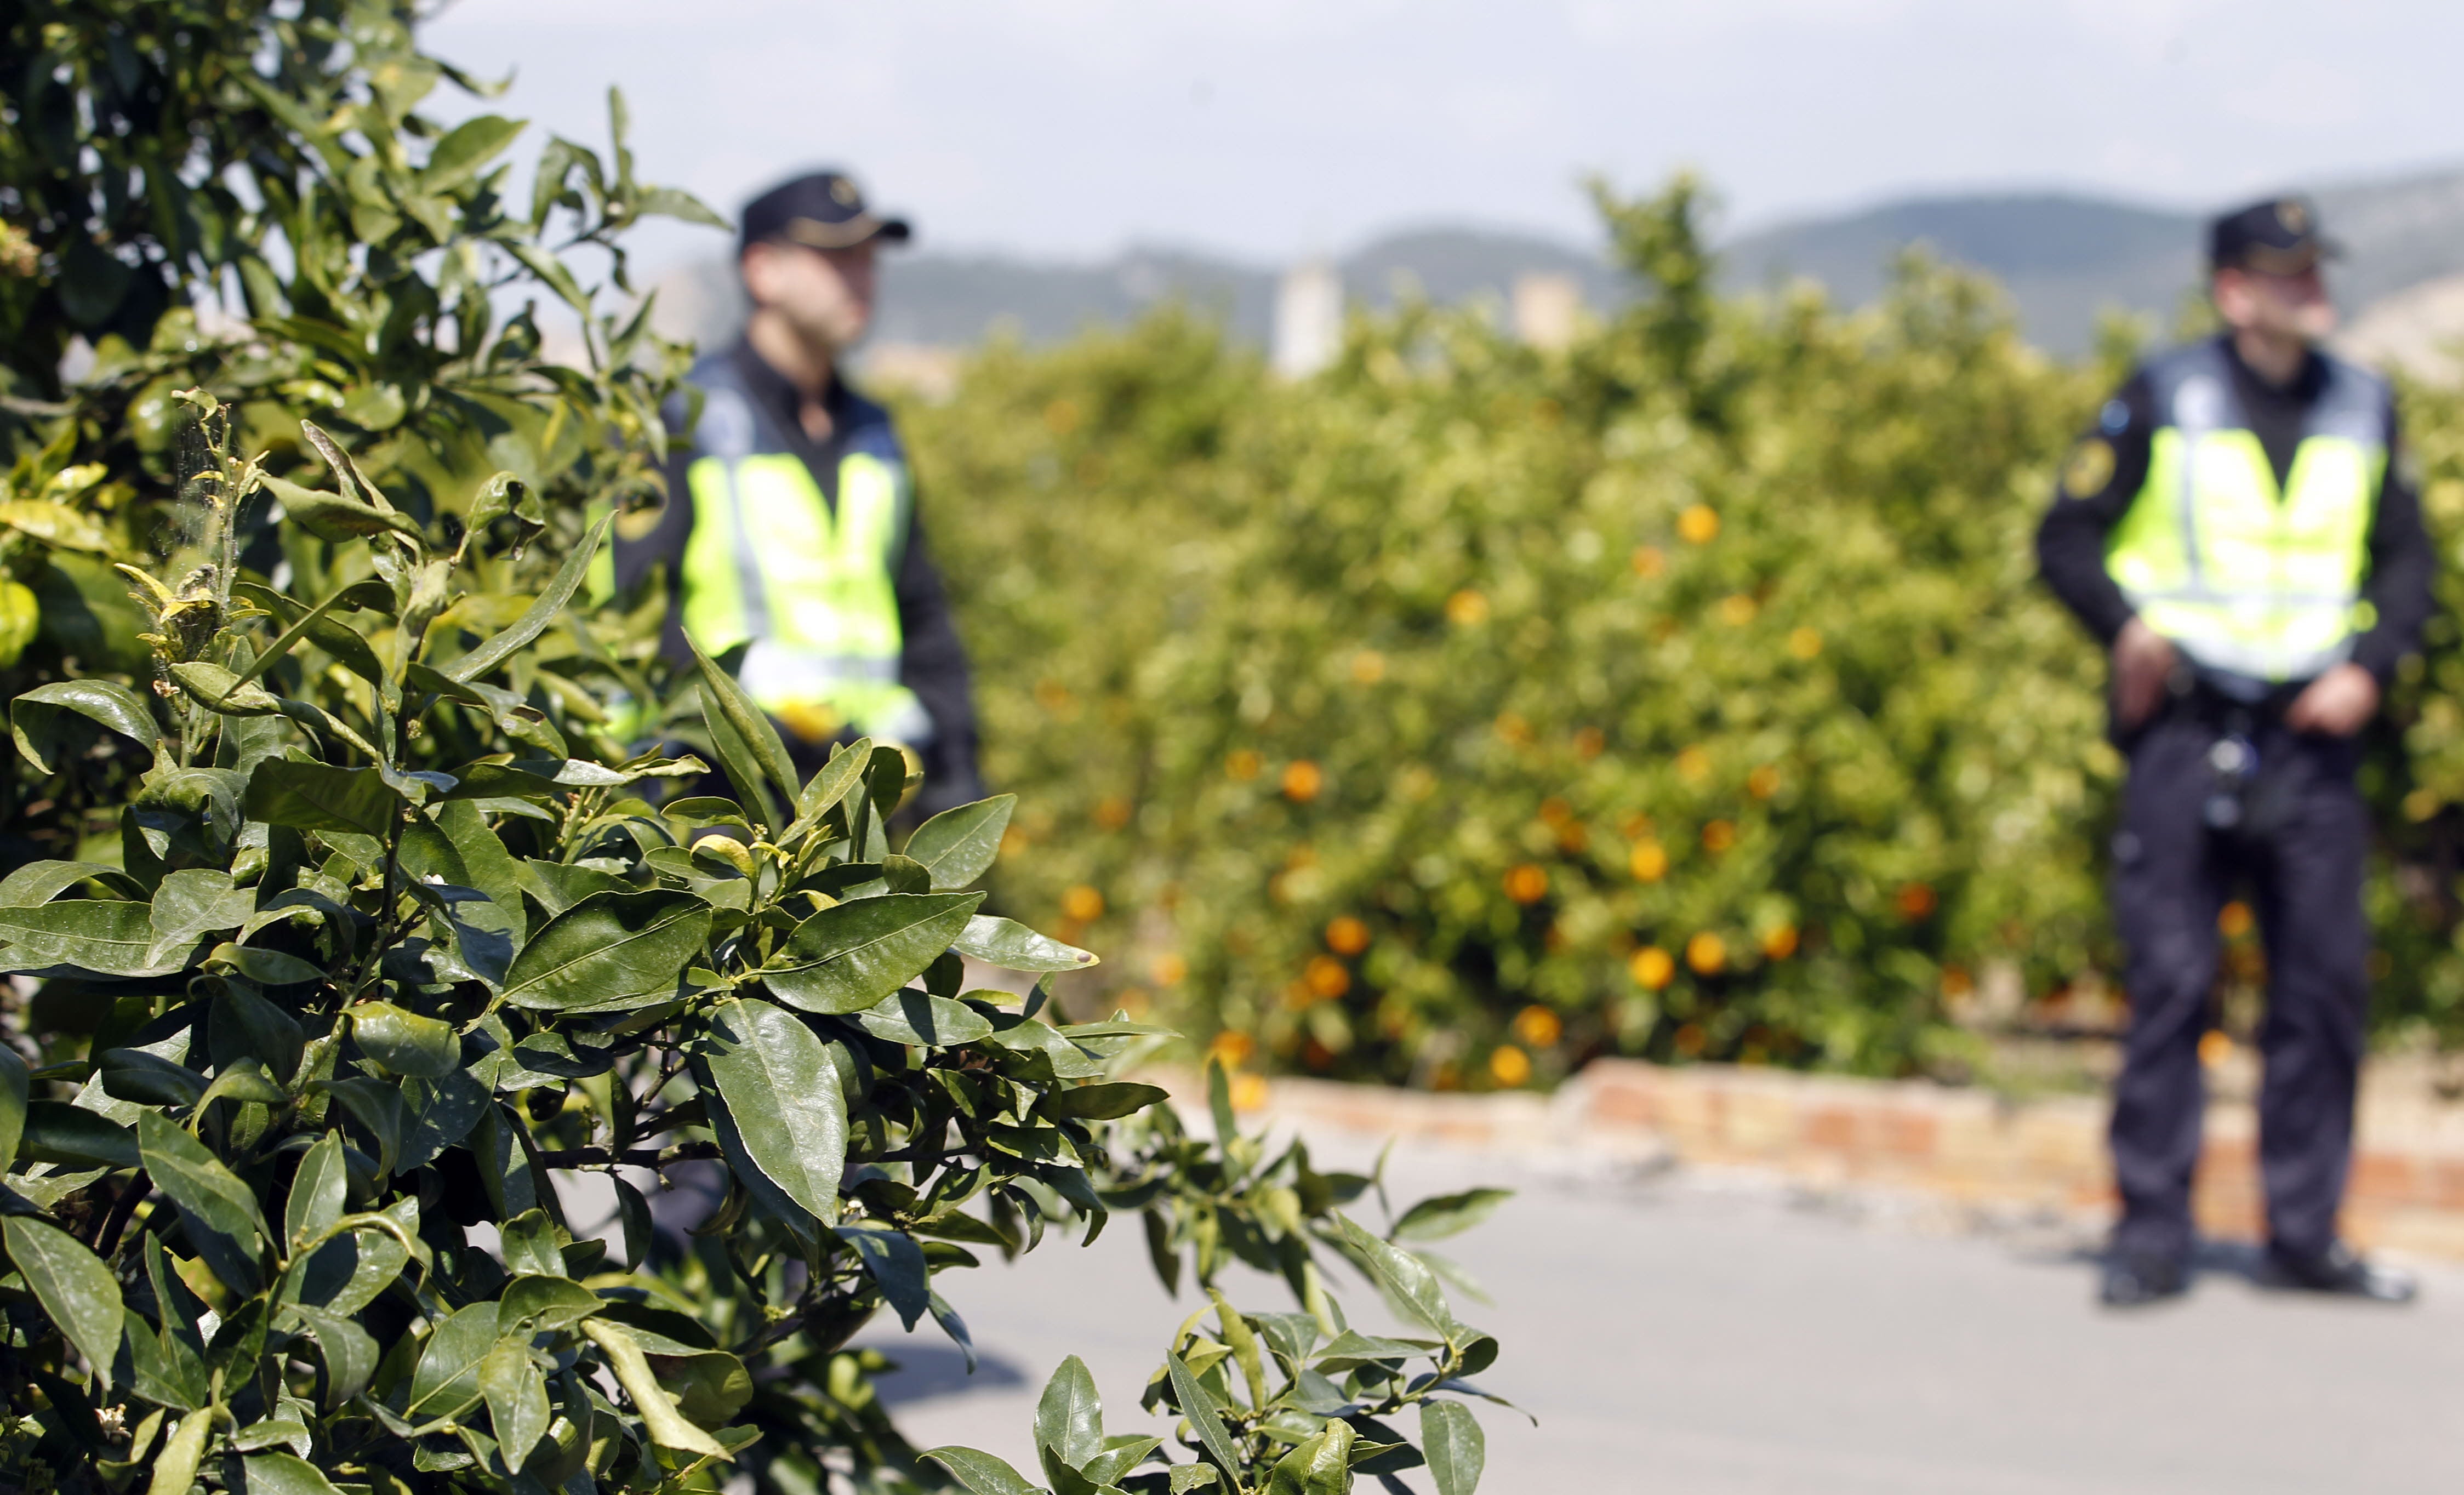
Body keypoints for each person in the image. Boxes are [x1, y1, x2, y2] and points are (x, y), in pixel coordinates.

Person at [2037, 196, 2437, 1307]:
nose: (2313, 286)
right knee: (2170, 985)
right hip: (2185, 730)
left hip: (2309, 740)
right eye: (2288, 272)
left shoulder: (2364, 401)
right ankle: (2151, 1229)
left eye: (2315, 268)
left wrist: (2370, 661)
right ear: (2233, 291)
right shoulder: (2165, 394)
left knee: (2319, 993)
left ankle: (2304, 1233)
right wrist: (2127, 629)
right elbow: (2063, 536)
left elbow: (2407, 564)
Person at [614, 170, 982, 818]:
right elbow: (636, 611)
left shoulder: (876, 432)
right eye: (837, 257)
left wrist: (957, 771)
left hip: (862, 807)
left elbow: (922, 613)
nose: (862, 277)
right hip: (721, 808)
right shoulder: (680, 420)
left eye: (868, 259)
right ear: (763, 271)